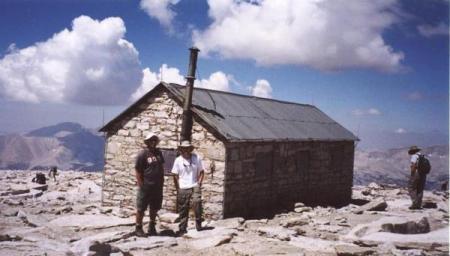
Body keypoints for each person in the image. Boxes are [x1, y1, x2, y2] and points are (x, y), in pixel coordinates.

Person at [134, 132, 165, 237]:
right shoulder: (143, 154)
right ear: (147, 142)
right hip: (146, 186)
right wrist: (141, 185)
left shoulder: (159, 153)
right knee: (141, 207)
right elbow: (138, 171)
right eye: (151, 140)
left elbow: (161, 167)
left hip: (157, 186)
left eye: (155, 140)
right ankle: (138, 227)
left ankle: (152, 226)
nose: (153, 142)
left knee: (154, 207)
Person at [171, 140, 205, 235]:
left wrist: (199, 183)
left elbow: (202, 172)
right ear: (181, 149)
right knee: (183, 208)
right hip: (183, 186)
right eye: (184, 148)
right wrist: (178, 188)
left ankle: (198, 223)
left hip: (194, 184)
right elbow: (174, 175)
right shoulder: (178, 160)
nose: (186, 150)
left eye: (187, 148)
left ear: (190, 149)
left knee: (197, 202)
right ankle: (182, 228)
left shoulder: (196, 158)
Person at [407, 145, 426, 210]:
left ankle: (414, 202)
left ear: (413, 151)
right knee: (420, 189)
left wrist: (412, 174)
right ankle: (419, 204)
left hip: (416, 173)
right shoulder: (423, 156)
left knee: (411, 187)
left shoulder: (414, 156)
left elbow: (413, 165)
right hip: (423, 174)